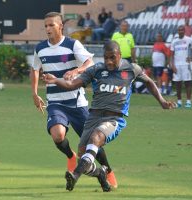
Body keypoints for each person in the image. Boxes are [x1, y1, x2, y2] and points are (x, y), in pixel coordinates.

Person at [43, 41, 175, 192]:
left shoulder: (132, 69)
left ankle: (75, 175)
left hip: (114, 119)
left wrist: (162, 101)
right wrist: (55, 80)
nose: (109, 62)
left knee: (96, 137)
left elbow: (149, 82)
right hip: (93, 117)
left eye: (112, 57)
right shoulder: (96, 70)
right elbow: (72, 85)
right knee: (83, 155)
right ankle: (100, 173)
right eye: (106, 58)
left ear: (119, 55)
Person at [30, 12, 118, 188]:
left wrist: (76, 71)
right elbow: (35, 69)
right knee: (58, 135)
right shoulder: (40, 48)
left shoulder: (72, 44)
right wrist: (34, 93)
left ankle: (108, 171)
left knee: (93, 142)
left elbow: (90, 63)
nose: (47, 29)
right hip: (55, 102)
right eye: (45, 25)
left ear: (60, 26)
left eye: (51, 25)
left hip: (77, 103)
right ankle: (70, 156)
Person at [170, 25, 192, 108]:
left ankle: (188, 102)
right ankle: (179, 101)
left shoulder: (189, 39)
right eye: (179, 30)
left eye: (182, 30)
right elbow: (171, 56)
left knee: (188, 83)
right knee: (178, 84)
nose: (181, 31)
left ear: (184, 31)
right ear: (177, 31)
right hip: (177, 65)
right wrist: (172, 66)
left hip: (185, 65)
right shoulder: (174, 41)